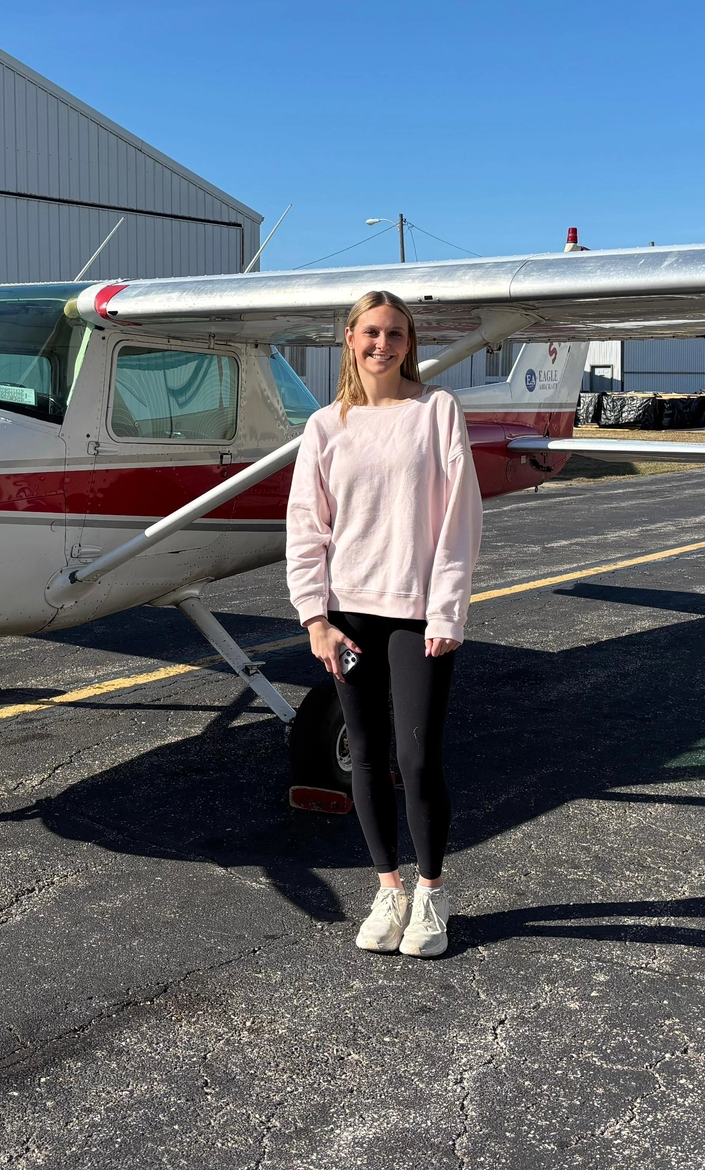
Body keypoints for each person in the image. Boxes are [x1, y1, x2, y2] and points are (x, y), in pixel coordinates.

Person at [285, 290, 483, 957]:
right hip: (347, 617)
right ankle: (389, 889)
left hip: (417, 615)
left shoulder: (437, 410)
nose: (383, 344)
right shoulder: (324, 426)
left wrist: (448, 609)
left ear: (409, 343)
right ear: (349, 339)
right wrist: (315, 619)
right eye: (371, 332)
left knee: (416, 757)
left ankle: (431, 891)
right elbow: (306, 528)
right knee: (366, 757)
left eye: (396, 333)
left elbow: (460, 518)